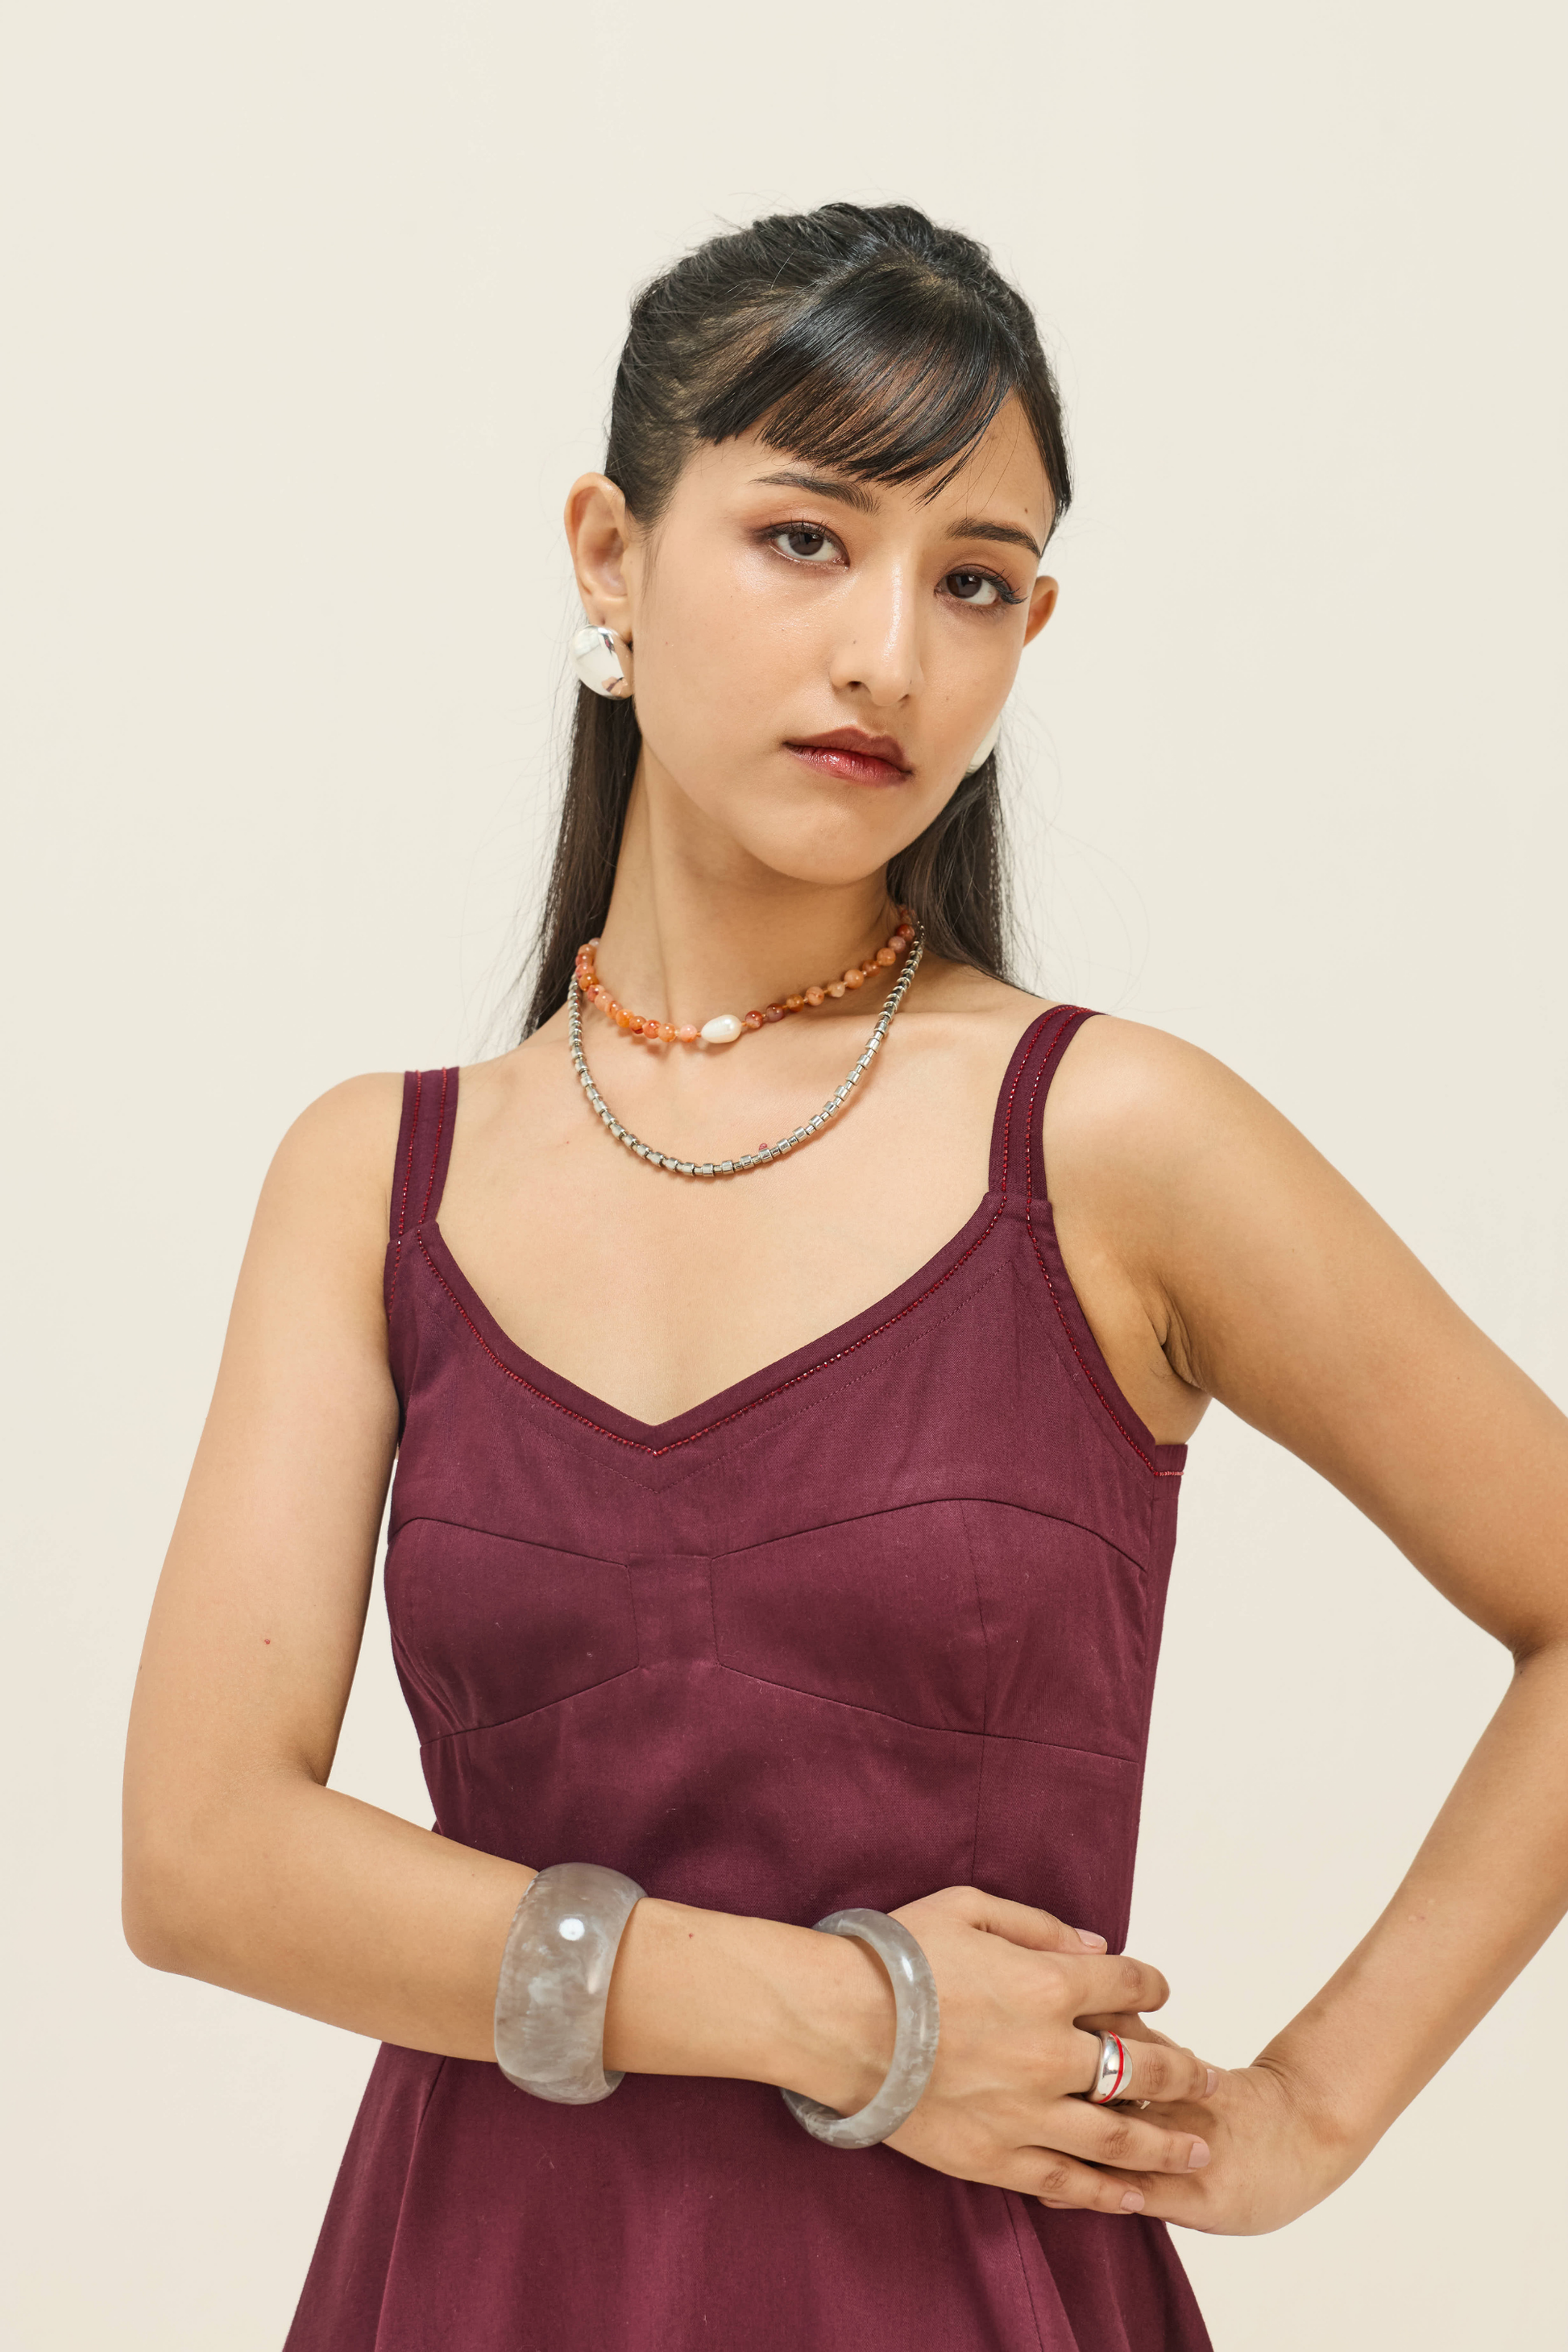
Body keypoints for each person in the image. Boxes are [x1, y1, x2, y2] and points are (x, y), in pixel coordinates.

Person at [121, 201, 1568, 2352]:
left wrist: (1306, 2113)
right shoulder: (377, 1179)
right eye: (806, 538)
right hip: (481, 2287)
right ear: (610, 556)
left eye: (973, 579)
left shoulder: (1109, 1139)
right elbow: (200, 1854)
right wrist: (853, 2014)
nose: (892, 650)